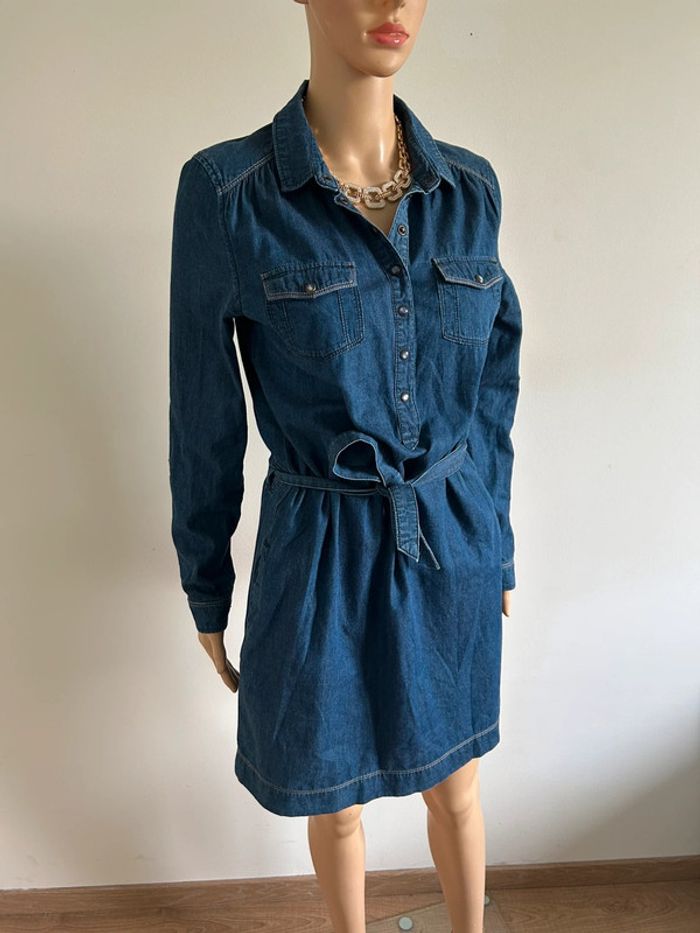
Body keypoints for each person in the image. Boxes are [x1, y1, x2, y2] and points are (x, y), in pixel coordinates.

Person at [168, 2, 523, 931]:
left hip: (451, 534)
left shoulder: (470, 190)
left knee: (458, 785)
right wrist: (208, 585)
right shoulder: (229, 194)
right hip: (317, 549)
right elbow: (203, 413)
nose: (394, 4)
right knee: (335, 797)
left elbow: (493, 388)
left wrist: (498, 540)